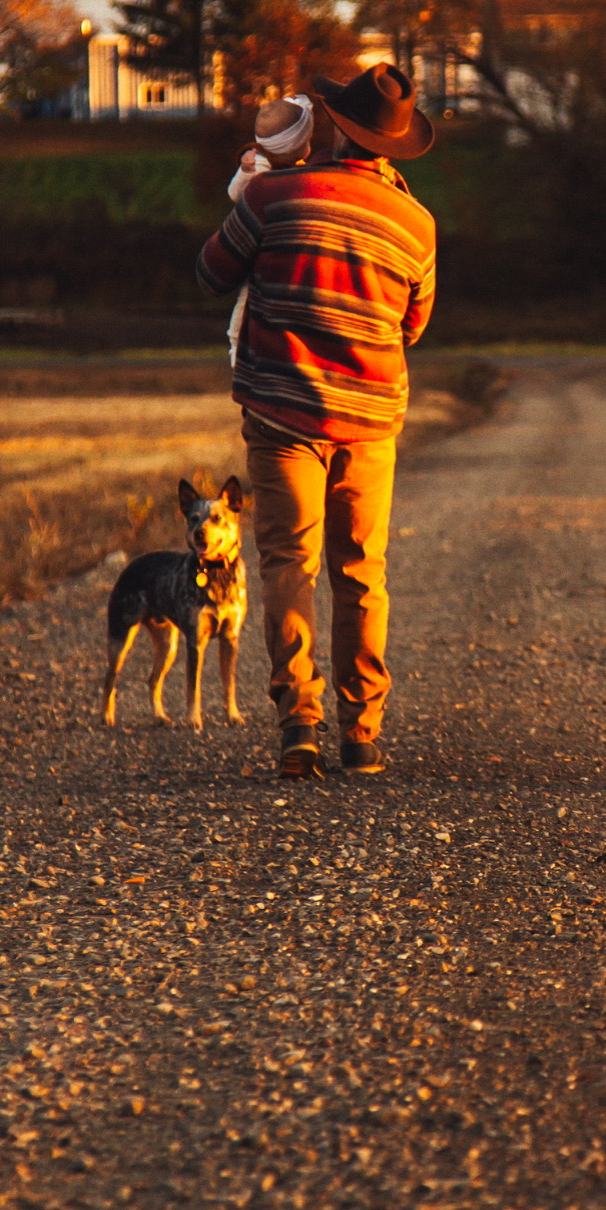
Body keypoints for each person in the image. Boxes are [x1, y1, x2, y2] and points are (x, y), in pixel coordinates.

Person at [196, 63, 437, 780]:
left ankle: (298, 726)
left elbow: (210, 273)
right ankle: (362, 733)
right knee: (362, 573)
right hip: (368, 420)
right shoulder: (416, 225)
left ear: (334, 125)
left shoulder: (272, 195)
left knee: (288, 565)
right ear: (395, 146)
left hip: (280, 413)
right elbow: (413, 326)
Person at [224, 94, 314, 365]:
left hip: (272, 251)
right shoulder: (262, 165)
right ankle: (237, 354)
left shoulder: (297, 168)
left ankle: (240, 354)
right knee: (245, 310)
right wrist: (248, 171)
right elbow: (236, 194)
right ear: (302, 143)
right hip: (264, 250)